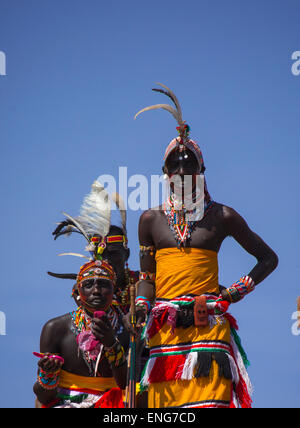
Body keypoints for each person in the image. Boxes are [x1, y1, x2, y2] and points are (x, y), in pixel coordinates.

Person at [132, 83, 279, 408]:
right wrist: (142, 305)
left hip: (208, 326)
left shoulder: (222, 216)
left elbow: (268, 259)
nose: (182, 172)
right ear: (165, 173)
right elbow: (147, 276)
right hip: (164, 333)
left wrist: (234, 292)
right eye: (175, 167)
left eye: (190, 166)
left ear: (202, 171)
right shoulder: (149, 220)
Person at [33, 258, 128, 408]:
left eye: (103, 285)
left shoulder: (128, 327)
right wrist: (48, 374)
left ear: (115, 290)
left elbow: (126, 383)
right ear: (78, 291)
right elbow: (44, 398)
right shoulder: (56, 328)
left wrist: (111, 343)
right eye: (89, 285)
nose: (96, 291)